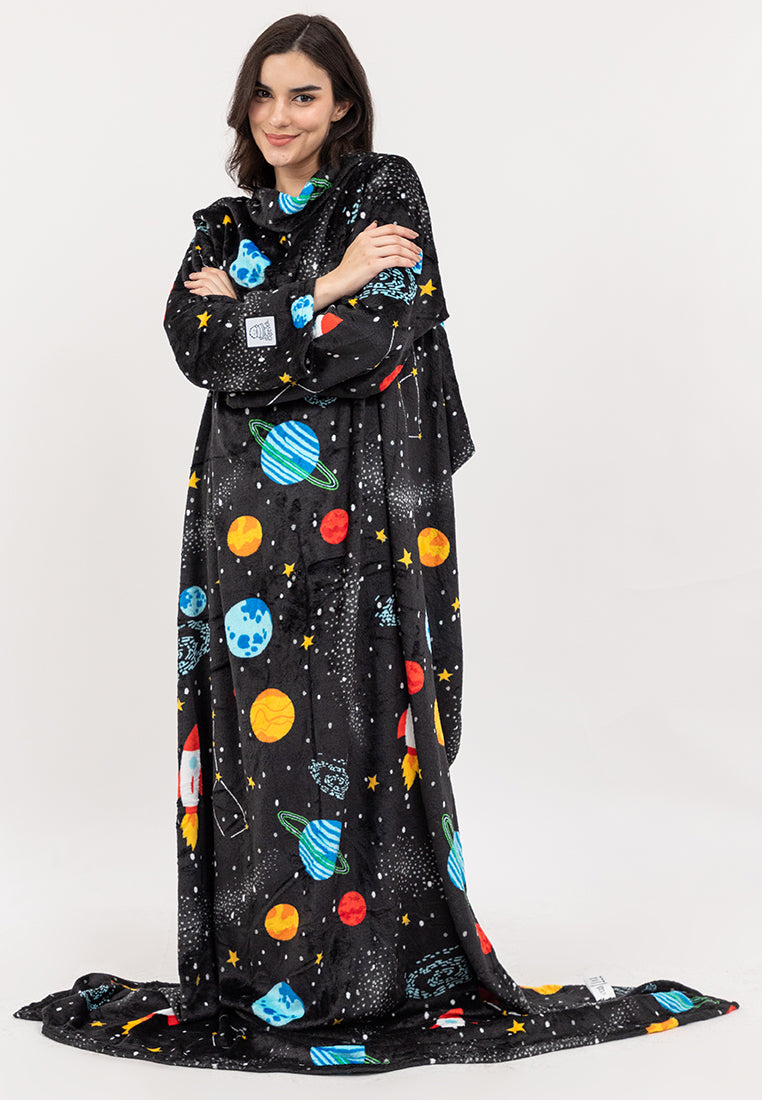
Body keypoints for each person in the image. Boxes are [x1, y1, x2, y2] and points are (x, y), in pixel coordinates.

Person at [13, 12, 738, 1075]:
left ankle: (370, 970)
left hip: (361, 518)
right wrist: (321, 286)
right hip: (240, 523)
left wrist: (268, 313)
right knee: (256, 744)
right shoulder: (221, 226)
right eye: (265, 95)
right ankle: (268, 966)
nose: (280, 116)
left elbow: (377, 339)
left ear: (343, 102)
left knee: (358, 721)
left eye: (304, 95)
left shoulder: (386, 193)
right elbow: (197, 347)